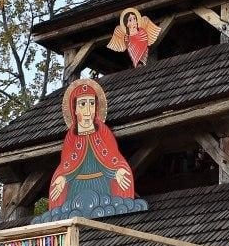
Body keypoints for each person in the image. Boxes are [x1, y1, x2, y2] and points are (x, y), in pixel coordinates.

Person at [32, 78, 148, 224]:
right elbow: (66, 165)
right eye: (82, 104)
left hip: (102, 187)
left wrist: (117, 171)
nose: (87, 110)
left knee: (110, 211)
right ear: (74, 109)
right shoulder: (71, 137)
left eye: (91, 103)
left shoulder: (103, 133)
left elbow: (113, 158)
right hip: (76, 190)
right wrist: (62, 178)